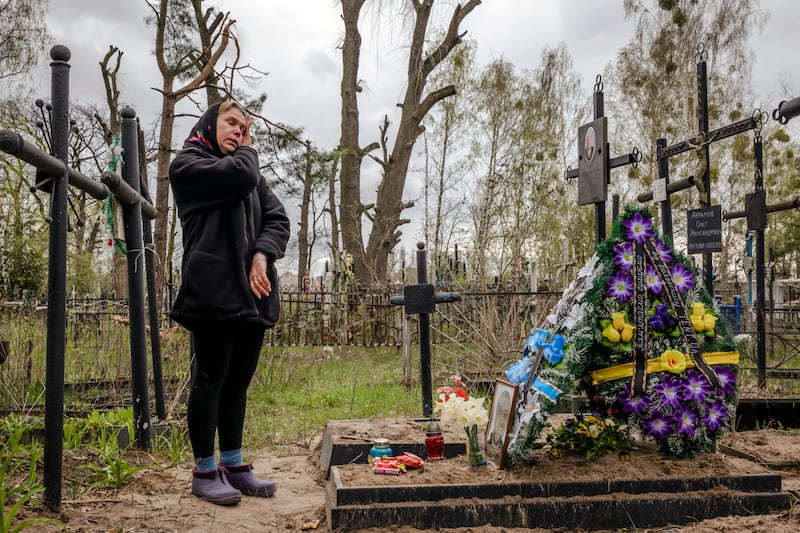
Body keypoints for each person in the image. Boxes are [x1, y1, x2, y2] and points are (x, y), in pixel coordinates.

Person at [169, 100, 290, 506]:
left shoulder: (250, 174)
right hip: (213, 292)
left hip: (253, 295)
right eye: (232, 123)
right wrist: (249, 150)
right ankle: (204, 471)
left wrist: (262, 254)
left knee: (237, 383)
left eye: (244, 127)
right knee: (210, 381)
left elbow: (278, 219)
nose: (239, 132)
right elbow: (239, 175)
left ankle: (234, 466)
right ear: (210, 123)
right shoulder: (189, 165)